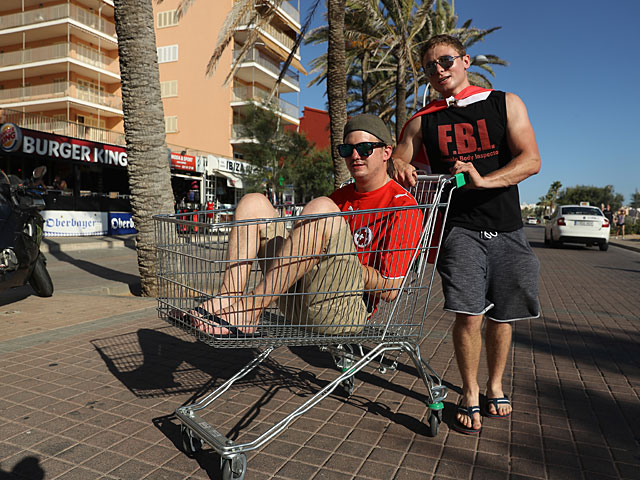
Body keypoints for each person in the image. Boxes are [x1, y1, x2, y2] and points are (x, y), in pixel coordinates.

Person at [393, 34, 541, 434]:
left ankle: (495, 384)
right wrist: (402, 168)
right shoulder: (424, 120)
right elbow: (398, 157)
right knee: (469, 313)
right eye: (430, 67)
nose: (439, 71)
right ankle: (470, 391)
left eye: (446, 61)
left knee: (504, 315)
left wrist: (484, 181)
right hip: (458, 228)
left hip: (508, 226)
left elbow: (531, 160)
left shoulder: (505, 103)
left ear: (465, 60)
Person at [187, 114, 423, 337]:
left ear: (386, 152)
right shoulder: (340, 197)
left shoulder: (401, 206)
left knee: (320, 207)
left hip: (343, 311)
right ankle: (227, 298)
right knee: (253, 203)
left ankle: (249, 310)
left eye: (364, 148)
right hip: (298, 298)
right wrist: (309, 250)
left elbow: (391, 289)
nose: (355, 156)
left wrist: (338, 261)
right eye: (346, 150)